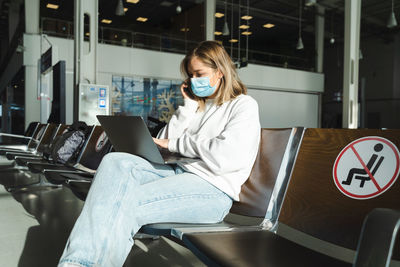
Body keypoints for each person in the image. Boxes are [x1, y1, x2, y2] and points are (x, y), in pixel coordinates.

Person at [58, 40, 261, 267]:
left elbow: (227, 157)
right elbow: (164, 142)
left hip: (212, 190)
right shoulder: (198, 107)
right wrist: (187, 108)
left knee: (126, 202)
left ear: (220, 71)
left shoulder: (243, 105)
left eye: (199, 74)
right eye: (190, 75)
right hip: (178, 174)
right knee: (115, 161)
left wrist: (176, 144)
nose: (193, 81)